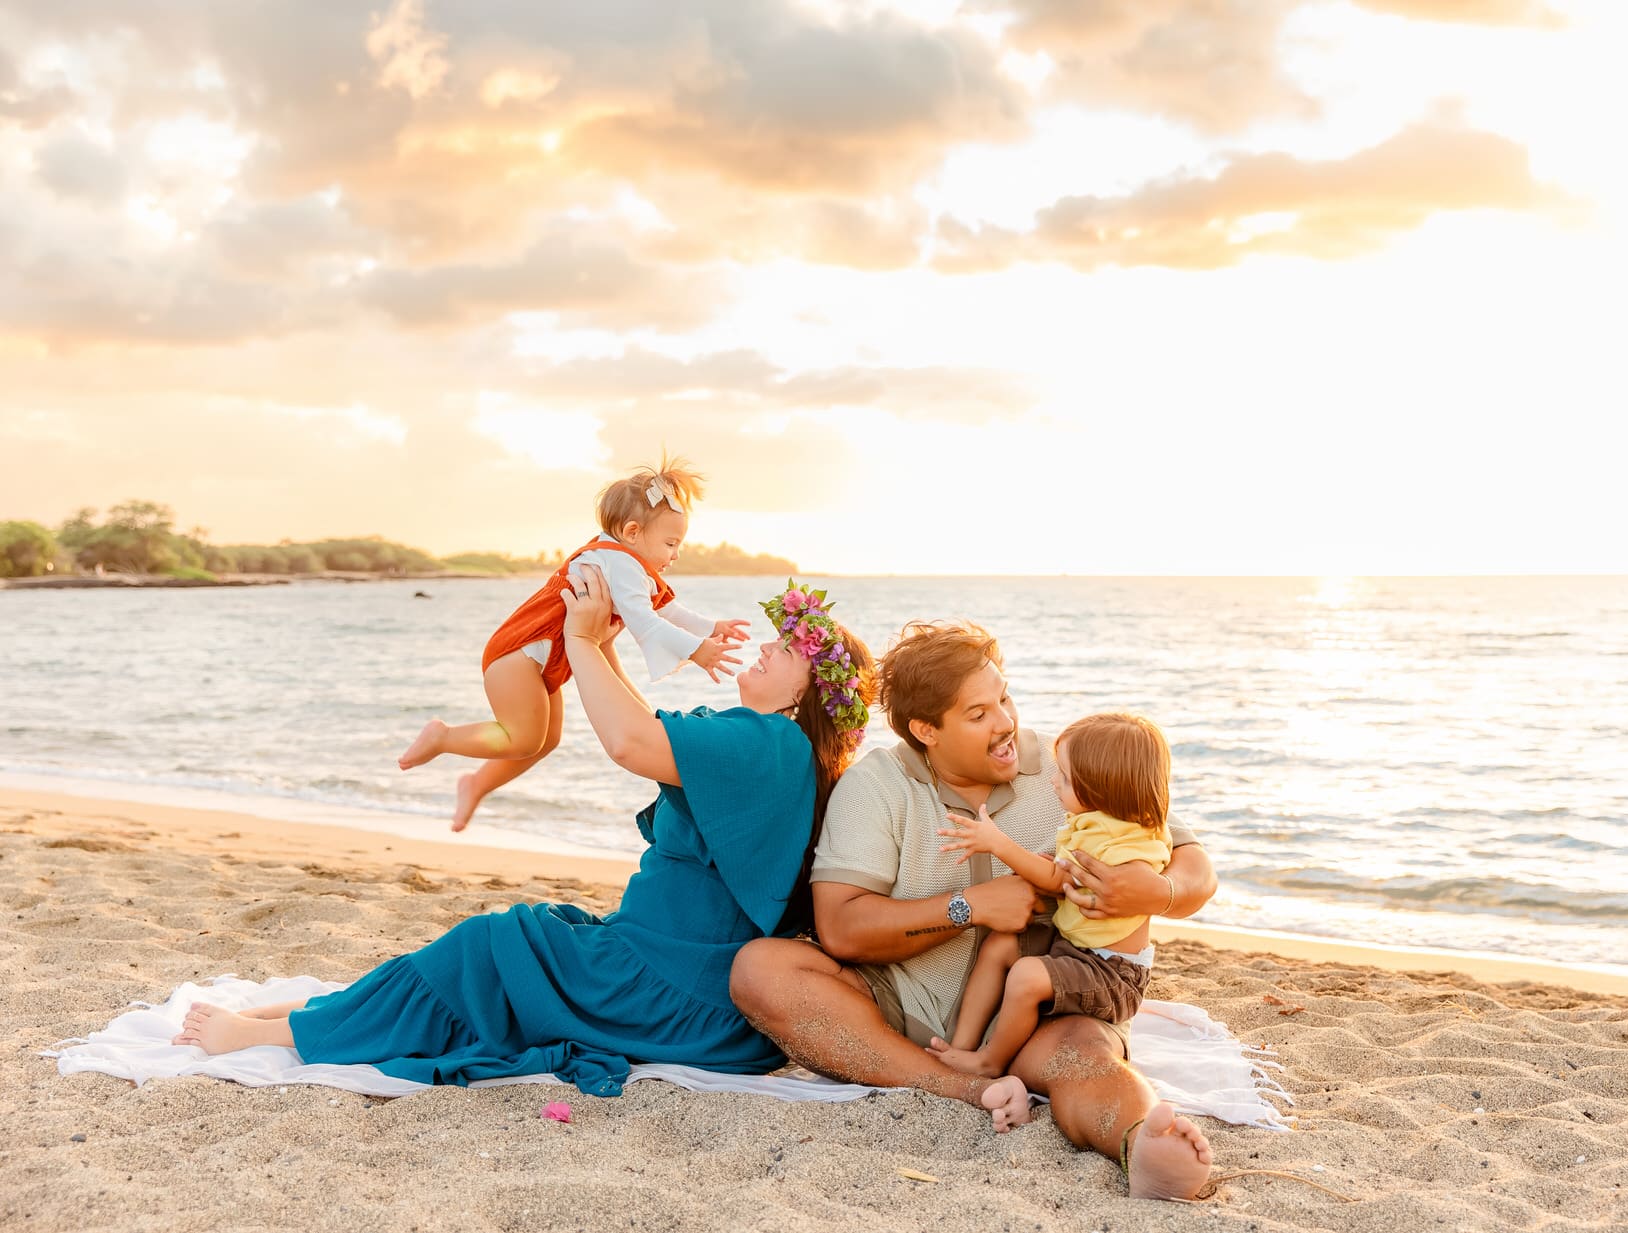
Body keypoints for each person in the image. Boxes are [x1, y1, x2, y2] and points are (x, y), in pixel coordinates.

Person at [169, 572, 1025, 1111]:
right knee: (531, 935)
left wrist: (581, 641)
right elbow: (641, 727)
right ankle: (313, 1018)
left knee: (495, 940)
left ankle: (280, 1036)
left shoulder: (767, 743)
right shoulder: (773, 745)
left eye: (786, 648)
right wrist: (609, 650)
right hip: (663, 968)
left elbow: (630, 743)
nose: (765, 648)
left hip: (681, 994)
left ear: (811, 689)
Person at [729, 622, 1217, 1200]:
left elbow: (1192, 866)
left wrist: (1154, 894)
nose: (1006, 723)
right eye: (979, 713)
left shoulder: (1070, 769)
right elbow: (840, 927)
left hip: (1044, 1011)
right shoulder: (876, 786)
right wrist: (972, 907)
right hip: (899, 1008)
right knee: (760, 971)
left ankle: (1143, 1146)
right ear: (925, 730)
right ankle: (961, 1086)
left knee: (1088, 1056)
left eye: (1004, 698)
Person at [398, 456, 752, 832]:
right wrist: (697, 650)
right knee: (522, 737)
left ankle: (476, 783)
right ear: (632, 532)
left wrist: (711, 626)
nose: (675, 554)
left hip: (541, 658)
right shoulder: (620, 564)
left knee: (545, 741)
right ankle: (443, 737)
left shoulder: (626, 561)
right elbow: (646, 620)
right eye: (670, 543)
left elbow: (667, 608)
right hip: (518, 653)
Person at [928, 712, 1172, 1080]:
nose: (1054, 782)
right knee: (1000, 946)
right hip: (1075, 949)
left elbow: (1058, 877)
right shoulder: (1100, 822)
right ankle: (961, 1047)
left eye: (1067, 779)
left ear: (1101, 788)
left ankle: (990, 1061)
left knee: (1027, 975)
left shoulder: (1118, 840)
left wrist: (998, 844)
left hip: (1111, 972)